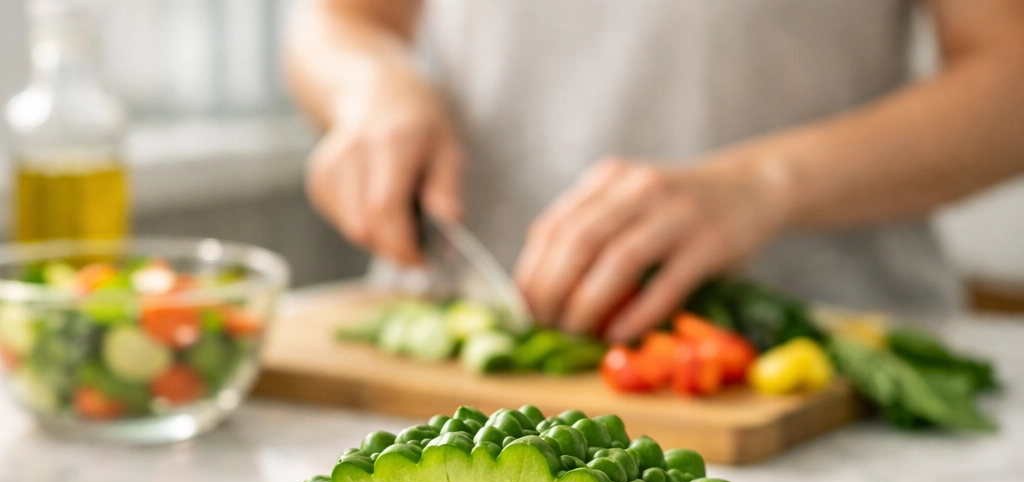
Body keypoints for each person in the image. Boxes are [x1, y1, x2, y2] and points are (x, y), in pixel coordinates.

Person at [286, 0, 1024, 342]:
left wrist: (763, 184)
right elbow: (339, 20)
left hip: (824, 362)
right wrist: (370, 89)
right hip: (454, 350)